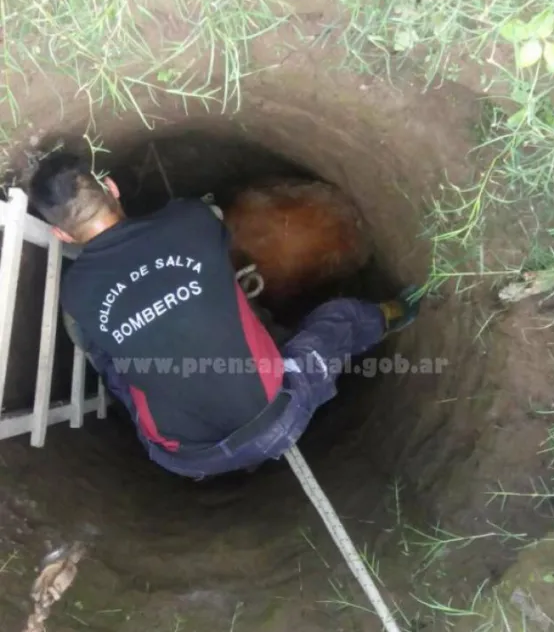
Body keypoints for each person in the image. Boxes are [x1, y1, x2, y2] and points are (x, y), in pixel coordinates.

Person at [28, 151, 421, 480]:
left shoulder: (75, 293)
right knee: (339, 320)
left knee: (113, 366)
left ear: (61, 236)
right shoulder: (188, 219)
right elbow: (220, 229)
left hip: (182, 457)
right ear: (111, 189)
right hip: (276, 418)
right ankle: (398, 312)